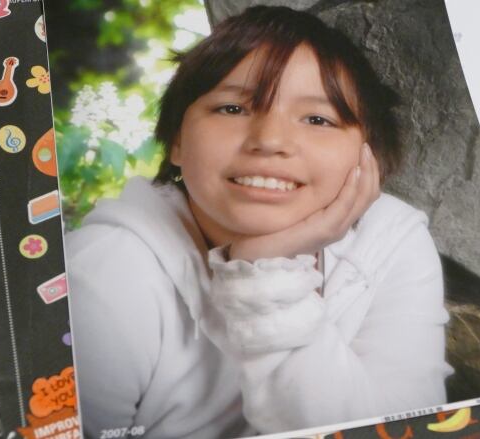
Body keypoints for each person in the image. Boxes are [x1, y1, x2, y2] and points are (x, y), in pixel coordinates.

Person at [66, 6, 452, 438]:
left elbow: (401, 431)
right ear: (177, 140)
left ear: (367, 155)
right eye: (232, 109)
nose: (270, 140)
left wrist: (264, 267)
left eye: (318, 119)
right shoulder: (104, 270)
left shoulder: (391, 240)